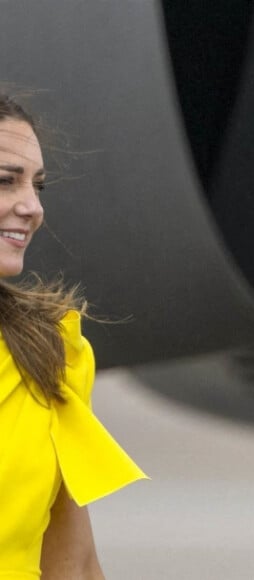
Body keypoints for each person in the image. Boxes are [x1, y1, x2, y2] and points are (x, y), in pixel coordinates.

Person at [0, 93, 147, 578]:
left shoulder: (51, 351)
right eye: (6, 181)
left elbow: (72, 560)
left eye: (38, 186)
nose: (32, 207)